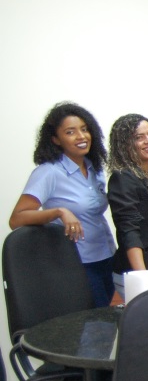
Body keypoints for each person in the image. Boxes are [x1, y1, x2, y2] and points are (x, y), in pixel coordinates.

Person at [10, 102, 116, 307]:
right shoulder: (48, 172)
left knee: (107, 318)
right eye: (70, 132)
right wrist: (59, 212)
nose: (81, 136)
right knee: (94, 322)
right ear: (55, 139)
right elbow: (17, 218)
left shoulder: (93, 167)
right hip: (77, 263)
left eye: (84, 129)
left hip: (106, 255)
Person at [106, 114, 148, 293]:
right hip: (137, 273)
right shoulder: (122, 178)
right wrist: (143, 278)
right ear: (124, 145)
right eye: (139, 137)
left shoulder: (145, 176)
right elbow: (129, 231)